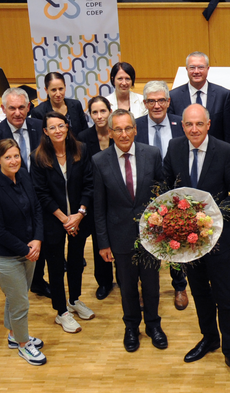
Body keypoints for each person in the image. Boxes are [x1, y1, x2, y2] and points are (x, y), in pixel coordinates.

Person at [163, 104, 230, 384]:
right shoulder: (174, 148)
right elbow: (166, 191)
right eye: (189, 124)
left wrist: (209, 216)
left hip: (217, 239)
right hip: (187, 243)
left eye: (199, 124)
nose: (194, 129)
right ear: (183, 126)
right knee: (199, 291)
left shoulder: (224, 151)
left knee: (224, 295)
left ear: (208, 124)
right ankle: (209, 338)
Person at [93, 109, 167, 353]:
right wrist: (103, 243)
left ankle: (153, 325)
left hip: (150, 235)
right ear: (110, 132)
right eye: (118, 129)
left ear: (135, 130)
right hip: (119, 235)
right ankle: (131, 326)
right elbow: (99, 206)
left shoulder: (152, 154)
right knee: (126, 286)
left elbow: (162, 192)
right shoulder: (99, 161)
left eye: (128, 128)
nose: (123, 134)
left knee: (151, 285)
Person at [0, 139, 46, 365]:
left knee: (16, 296)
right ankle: (22, 345)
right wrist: (27, 249)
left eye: (16, 156)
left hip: (29, 250)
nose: (13, 161)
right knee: (20, 303)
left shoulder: (24, 176)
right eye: (7, 157)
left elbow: (37, 208)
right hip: (5, 257)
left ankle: (13, 335)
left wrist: (37, 239)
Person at [0, 87, 47, 297]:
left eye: (21, 108)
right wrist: (13, 194)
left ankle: (37, 280)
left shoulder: (39, 126)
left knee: (38, 243)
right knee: (21, 243)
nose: (17, 113)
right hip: (12, 202)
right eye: (12, 108)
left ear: (28, 107)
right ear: (3, 109)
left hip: (41, 197)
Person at [31, 112, 95, 334]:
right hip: (54, 221)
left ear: (67, 127)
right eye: (52, 127)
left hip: (79, 219)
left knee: (76, 262)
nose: (58, 130)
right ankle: (61, 312)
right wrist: (64, 218)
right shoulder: (38, 157)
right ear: (45, 132)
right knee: (56, 267)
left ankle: (75, 300)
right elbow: (41, 193)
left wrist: (79, 214)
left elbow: (89, 184)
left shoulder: (81, 149)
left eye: (61, 125)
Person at [133, 80, 187, 309]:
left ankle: (180, 286)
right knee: (145, 242)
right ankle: (146, 287)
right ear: (145, 103)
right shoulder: (135, 127)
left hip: (174, 195)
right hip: (143, 194)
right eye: (151, 101)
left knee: (175, 240)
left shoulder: (179, 124)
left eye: (161, 100)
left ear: (168, 101)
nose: (157, 105)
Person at [77, 96, 115, 301]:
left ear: (110, 111)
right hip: (94, 197)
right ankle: (104, 281)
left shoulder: (118, 132)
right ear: (89, 114)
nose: (99, 116)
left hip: (117, 196)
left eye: (103, 111)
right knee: (100, 240)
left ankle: (125, 278)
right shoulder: (83, 137)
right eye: (95, 112)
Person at [168, 51, 230, 143]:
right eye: (192, 67)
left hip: (215, 152)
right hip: (184, 151)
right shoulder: (174, 96)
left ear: (208, 68)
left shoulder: (222, 95)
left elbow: (228, 131)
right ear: (186, 69)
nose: (196, 71)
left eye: (201, 67)